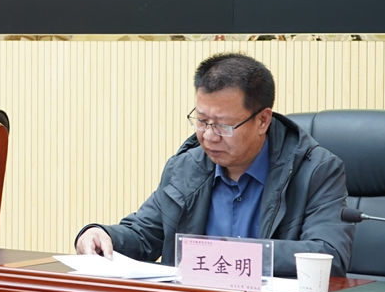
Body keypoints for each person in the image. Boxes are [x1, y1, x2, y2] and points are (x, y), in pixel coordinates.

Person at [74, 53, 352, 276]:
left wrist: (230, 254)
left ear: (262, 120)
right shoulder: (186, 167)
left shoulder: (315, 170)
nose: (208, 136)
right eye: (201, 121)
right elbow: (145, 234)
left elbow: (328, 255)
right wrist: (101, 234)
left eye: (223, 125)